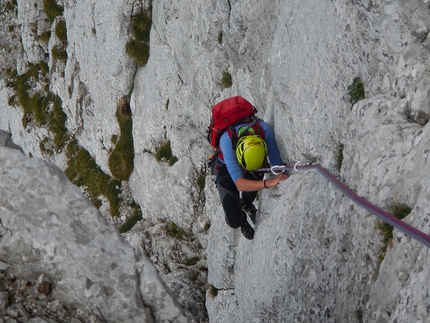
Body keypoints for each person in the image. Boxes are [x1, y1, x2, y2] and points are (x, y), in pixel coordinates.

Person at [215, 118, 288, 240]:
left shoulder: (264, 130)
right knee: (234, 220)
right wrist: (270, 182)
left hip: (254, 163)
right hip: (225, 168)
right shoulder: (226, 141)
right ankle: (242, 221)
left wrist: (279, 174)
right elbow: (240, 185)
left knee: (251, 189)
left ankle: (247, 205)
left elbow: (277, 165)